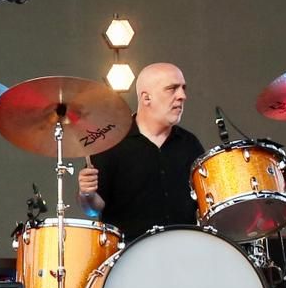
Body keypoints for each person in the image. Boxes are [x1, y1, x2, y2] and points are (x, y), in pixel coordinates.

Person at [78, 62, 204, 241]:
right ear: (146, 98)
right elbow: (93, 209)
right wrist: (87, 194)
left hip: (183, 252)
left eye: (183, 88)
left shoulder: (190, 144)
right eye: (172, 89)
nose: (182, 96)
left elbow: (207, 205)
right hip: (129, 255)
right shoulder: (112, 142)